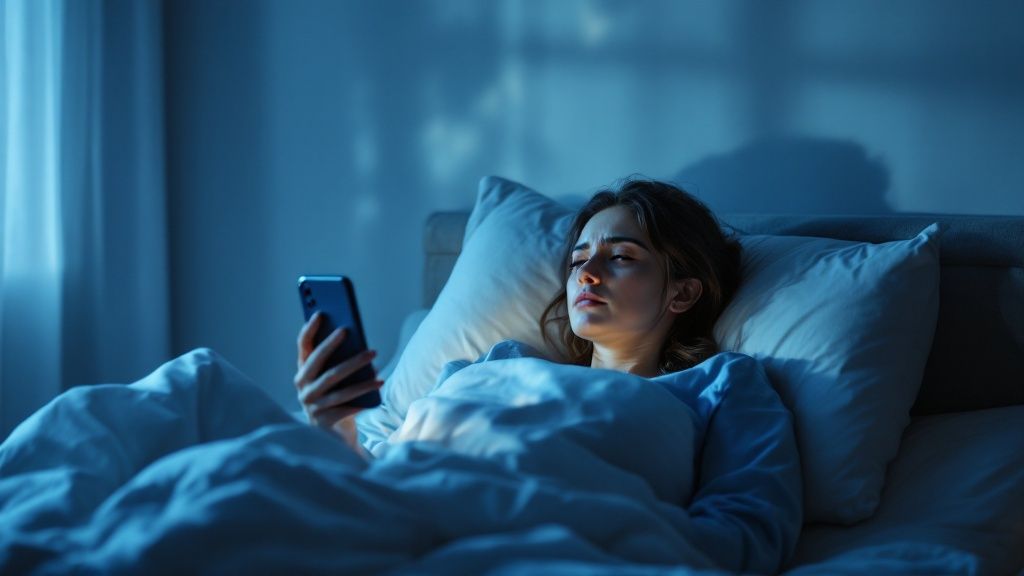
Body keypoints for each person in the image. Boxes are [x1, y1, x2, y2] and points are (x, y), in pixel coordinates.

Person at [293, 177, 741, 453]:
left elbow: (741, 528)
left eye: (620, 256)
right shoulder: (500, 366)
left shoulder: (717, 390)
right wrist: (336, 427)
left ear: (681, 293)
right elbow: (388, 479)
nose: (587, 276)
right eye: (577, 260)